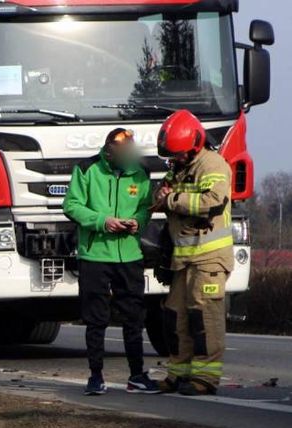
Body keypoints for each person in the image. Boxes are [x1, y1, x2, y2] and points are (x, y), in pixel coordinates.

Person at [63, 128, 159, 396]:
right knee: (96, 319)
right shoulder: (86, 169)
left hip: (129, 255)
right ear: (108, 151)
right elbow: (71, 205)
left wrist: (136, 222)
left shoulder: (141, 171)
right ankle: (95, 376)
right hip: (95, 255)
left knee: (134, 317)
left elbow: (145, 206)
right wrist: (103, 222)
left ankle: (137, 375)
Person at [154, 110, 234, 396]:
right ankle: (178, 373)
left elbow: (213, 201)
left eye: (176, 155)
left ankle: (205, 378)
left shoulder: (212, 165)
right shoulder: (180, 166)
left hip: (209, 257)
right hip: (183, 256)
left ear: (194, 146)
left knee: (205, 317)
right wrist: (162, 196)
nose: (173, 161)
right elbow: (161, 196)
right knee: (175, 316)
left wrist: (172, 200)